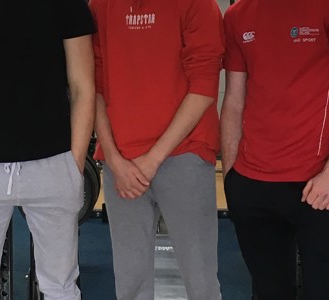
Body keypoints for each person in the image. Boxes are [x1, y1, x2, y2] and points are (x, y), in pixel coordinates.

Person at [0, 0, 96, 298]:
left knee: (60, 286)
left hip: (54, 161)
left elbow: (82, 86)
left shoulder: (69, 5)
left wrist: (74, 162)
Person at [220, 0, 329, 299]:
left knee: (324, 291)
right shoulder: (237, 15)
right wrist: (231, 177)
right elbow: (235, 100)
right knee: (269, 292)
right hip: (251, 185)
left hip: (316, 185)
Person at [89, 0, 224, 298]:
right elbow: (93, 85)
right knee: (130, 281)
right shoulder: (100, 5)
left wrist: (153, 159)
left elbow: (204, 86)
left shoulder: (198, 4)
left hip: (184, 152)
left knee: (200, 279)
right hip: (121, 161)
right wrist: (112, 157)